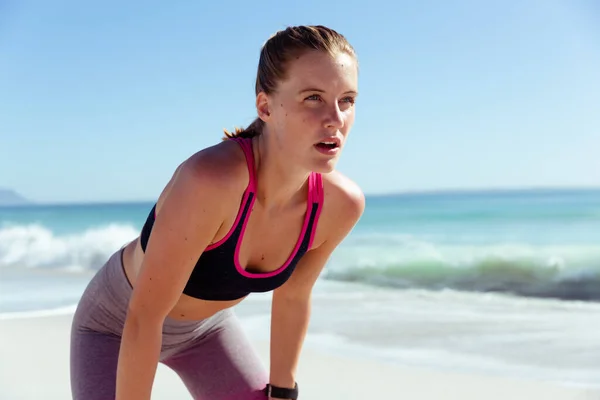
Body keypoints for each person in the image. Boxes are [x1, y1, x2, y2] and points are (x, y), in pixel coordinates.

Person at [70, 24, 364, 400]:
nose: (336, 118)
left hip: (206, 331)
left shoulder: (340, 205)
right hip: (116, 322)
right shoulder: (212, 180)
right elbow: (144, 318)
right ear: (265, 106)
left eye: (348, 100)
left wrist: (282, 392)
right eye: (313, 98)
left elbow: (293, 296)